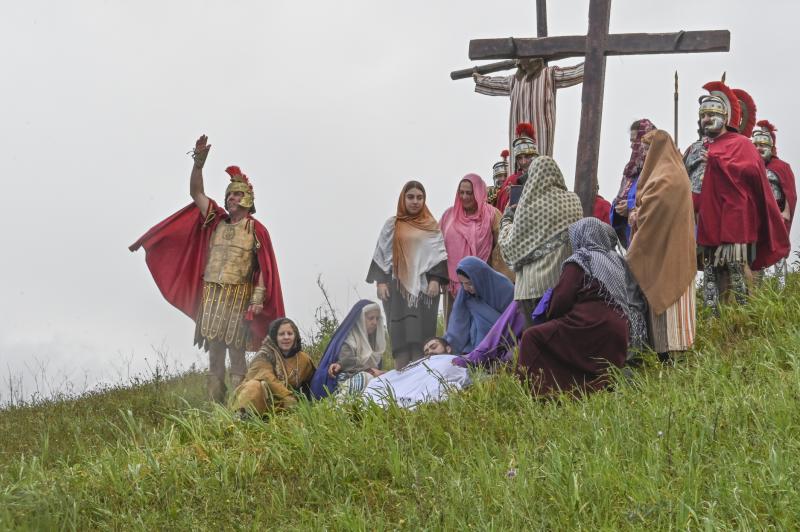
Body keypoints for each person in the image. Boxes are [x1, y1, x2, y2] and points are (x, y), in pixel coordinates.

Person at [129, 135, 284, 402]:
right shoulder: (216, 221)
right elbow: (196, 193)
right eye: (229, 194)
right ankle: (216, 406)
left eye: (237, 194)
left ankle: (241, 405)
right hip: (212, 296)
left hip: (238, 297)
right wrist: (198, 165)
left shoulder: (256, 230)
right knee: (214, 354)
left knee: (236, 354)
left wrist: (258, 299)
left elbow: (264, 269)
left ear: (247, 199)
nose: (231, 198)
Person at [684, 81, 789, 310]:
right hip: (704, 220)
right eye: (703, 115)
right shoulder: (695, 148)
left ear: (726, 116)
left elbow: (752, 171)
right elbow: (683, 177)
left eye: (712, 114)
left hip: (734, 220)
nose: (706, 119)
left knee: (737, 268)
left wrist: (718, 161)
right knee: (711, 273)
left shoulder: (741, 143)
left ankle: (745, 318)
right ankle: (716, 322)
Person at [516, 218, 646, 396]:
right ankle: (589, 390)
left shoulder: (580, 259)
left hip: (591, 327)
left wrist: (548, 314)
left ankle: (539, 392)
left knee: (532, 337)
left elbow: (561, 299)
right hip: (619, 333)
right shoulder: (615, 261)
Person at [626, 130, 697, 357]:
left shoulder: (667, 178)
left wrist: (637, 216)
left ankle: (671, 355)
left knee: (671, 310)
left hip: (669, 252)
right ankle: (668, 354)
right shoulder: (671, 173)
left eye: (648, 149)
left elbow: (654, 211)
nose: (645, 155)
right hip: (668, 249)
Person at [367, 181, 449, 369]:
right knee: (400, 335)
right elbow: (381, 253)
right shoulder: (392, 224)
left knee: (421, 336)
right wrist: (380, 282)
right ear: (403, 198)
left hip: (423, 291)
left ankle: (421, 378)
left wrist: (436, 280)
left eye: (419, 198)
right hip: (397, 290)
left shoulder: (431, 226)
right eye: (410, 197)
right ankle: (401, 377)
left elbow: (438, 254)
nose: (415, 201)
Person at [498, 156, 583, 326]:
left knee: (537, 343)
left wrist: (507, 217)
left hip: (532, 289)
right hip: (564, 286)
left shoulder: (527, 205)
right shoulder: (574, 201)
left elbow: (509, 246)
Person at [473, 58, 584, 157]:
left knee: (540, 164)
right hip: (518, 143)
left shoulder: (548, 74)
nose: (524, 66)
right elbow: (496, 83)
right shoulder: (514, 81)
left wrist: (593, 60)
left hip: (540, 138)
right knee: (519, 167)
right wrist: (479, 79)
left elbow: (571, 73)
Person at [440, 174, 513, 323]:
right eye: (462, 192)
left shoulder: (492, 215)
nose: (465, 197)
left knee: (480, 328)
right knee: (455, 328)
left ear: (479, 192)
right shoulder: (449, 216)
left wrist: (501, 281)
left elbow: (502, 248)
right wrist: (438, 277)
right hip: (453, 284)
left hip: (481, 285)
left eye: (469, 192)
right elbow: (437, 246)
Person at [232, 318, 315, 415]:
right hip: (261, 401)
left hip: (285, 407)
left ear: (295, 336)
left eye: (290, 333)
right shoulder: (263, 355)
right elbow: (267, 377)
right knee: (254, 385)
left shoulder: (303, 359)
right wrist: (288, 397)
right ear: (275, 336)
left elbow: (314, 380)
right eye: (281, 334)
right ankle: (242, 418)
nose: (286, 337)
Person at [310, 300, 387, 399]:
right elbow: (347, 365)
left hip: (368, 383)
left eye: (377, 319)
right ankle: (339, 403)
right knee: (365, 377)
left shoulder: (373, 342)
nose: (375, 322)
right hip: (344, 382)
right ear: (360, 320)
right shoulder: (349, 340)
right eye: (371, 318)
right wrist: (370, 371)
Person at [752, 120, 797, 286]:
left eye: (764, 145)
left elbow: (790, 193)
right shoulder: (750, 166)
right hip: (757, 215)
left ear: (771, 148)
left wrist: (786, 213)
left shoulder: (782, 167)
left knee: (778, 252)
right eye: (756, 145)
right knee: (756, 254)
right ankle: (757, 292)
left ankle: (781, 291)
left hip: (777, 213)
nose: (760, 149)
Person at [443, 257, 514, 355]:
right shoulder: (465, 294)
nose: (466, 288)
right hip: (472, 348)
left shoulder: (505, 289)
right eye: (462, 283)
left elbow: (514, 323)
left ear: (480, 278)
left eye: (469, 283)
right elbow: (458, 324)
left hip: (505, 346)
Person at [610, 119, 657, 248]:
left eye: (634, 140)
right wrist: (618, 208)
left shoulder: (658, 169)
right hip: (628, 238)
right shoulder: (631, 171)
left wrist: (631, 206)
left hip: (649, 241)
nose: (631, 145)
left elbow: (658, 201)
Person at [494, 122, 539, 212]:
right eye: (519, 158)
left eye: (527, 157)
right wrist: (511, 197)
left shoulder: (544, 176)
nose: (523, 162)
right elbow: (502, 214)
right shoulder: (511, 180)